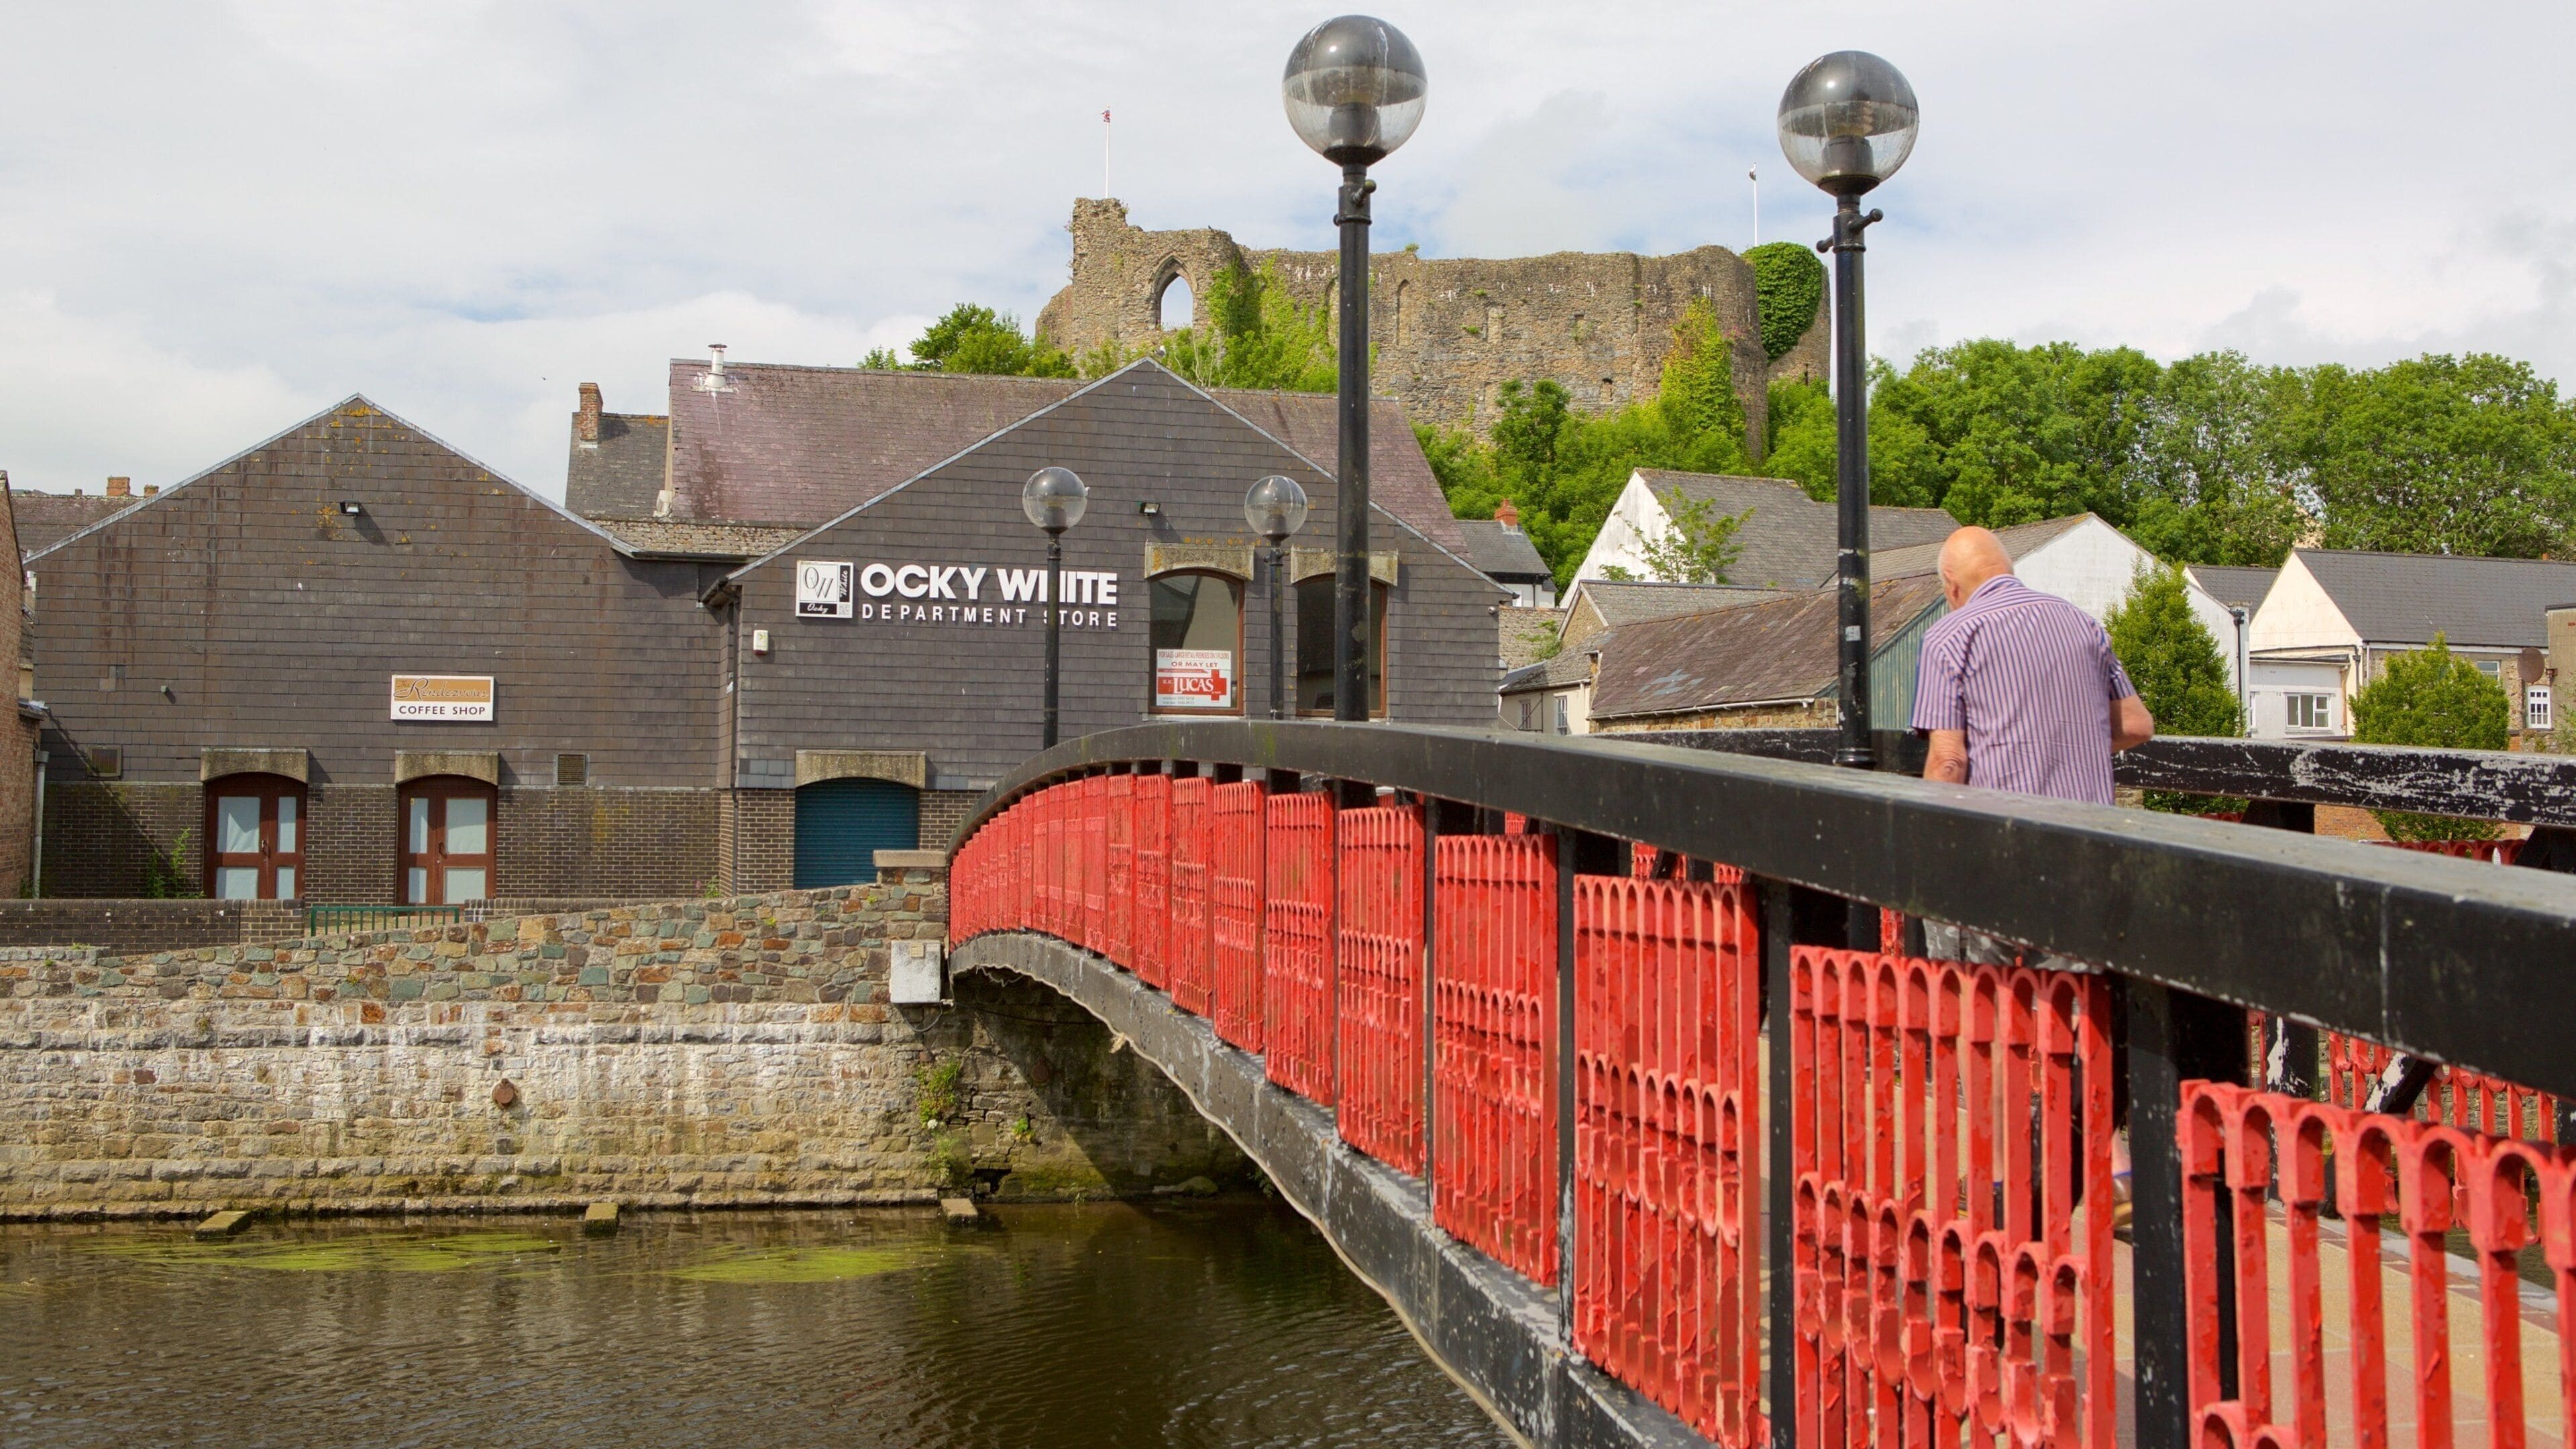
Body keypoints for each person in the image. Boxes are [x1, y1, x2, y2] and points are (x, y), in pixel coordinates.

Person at [1909, 526, 2155, 963]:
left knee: (1979, 997)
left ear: (1951, 584)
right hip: (2086, 855)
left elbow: (1948, 762)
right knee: (2070, 999)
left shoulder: (1950, 636)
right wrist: (2064, 741)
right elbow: (2137, 725)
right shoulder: (2083, 624)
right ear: (2007, 569)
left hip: (1996, 857)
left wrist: (1927, 853)